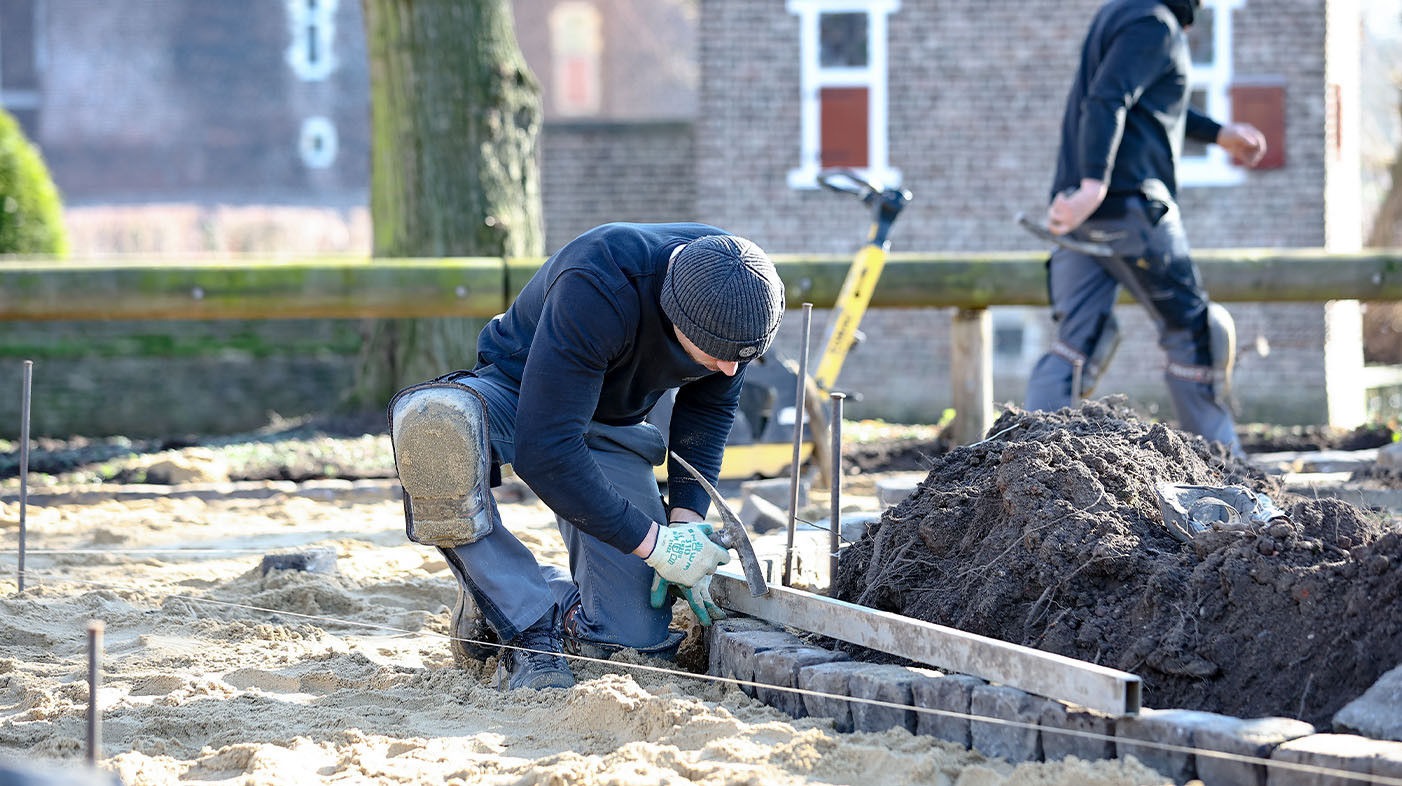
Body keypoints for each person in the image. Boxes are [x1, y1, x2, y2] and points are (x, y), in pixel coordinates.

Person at [387, 223, 785, 691]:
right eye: (718, 355)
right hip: (521, 396)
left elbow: (709, 410)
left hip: (611, 423)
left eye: (745, 358)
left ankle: (510, 594)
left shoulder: (738, 292)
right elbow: (545, 452)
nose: (732, 369)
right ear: (674, 313)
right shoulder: (598, 283)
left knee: (629, 639)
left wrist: (682, 525)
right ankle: (524, 626)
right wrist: (653, 544)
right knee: (434, 427)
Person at [1024, 0, 1267, 456]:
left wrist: (1218, 134)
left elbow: (1148, 106)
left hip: (1083, 214)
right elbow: (1108, 98)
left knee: (1078, 341)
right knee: (1195, 334)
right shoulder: (1155, 24)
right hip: (1130, 207)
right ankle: (1228, 475)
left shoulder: (1121, 12)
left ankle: (1028, 466)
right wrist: (1096, 186)